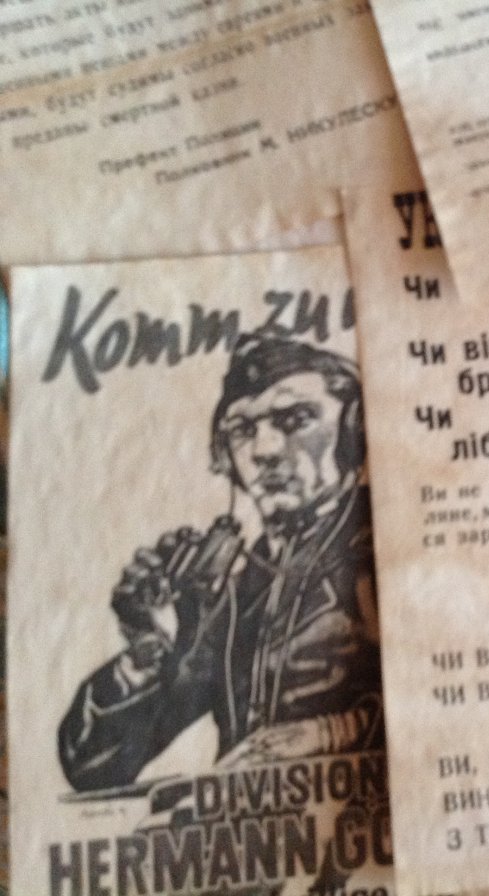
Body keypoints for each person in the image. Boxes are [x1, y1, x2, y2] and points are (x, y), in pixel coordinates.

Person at [58, 330, 383, 792]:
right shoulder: (238, 591)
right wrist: (148, 649)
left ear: (354, 430)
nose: (264, 451)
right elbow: (92, 767)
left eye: (296, 419)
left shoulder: (387, 548)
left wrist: (335, 733)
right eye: (242, 430)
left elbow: (453, 702)